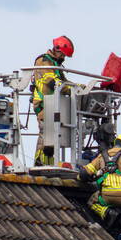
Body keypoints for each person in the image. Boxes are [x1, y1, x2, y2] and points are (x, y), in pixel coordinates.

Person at [31, 35, 74, 166]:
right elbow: (52, 83)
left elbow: (64, 82)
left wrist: (79, 87)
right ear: (57, 49)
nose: (63, 57)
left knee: (54, 136)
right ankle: (39, 163)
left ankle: (49, 164)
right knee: (46, 134)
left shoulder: (55, 65)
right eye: (63, 54)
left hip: (53, 103)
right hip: (43, 104)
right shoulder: (43, 61)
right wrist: (71, 90)